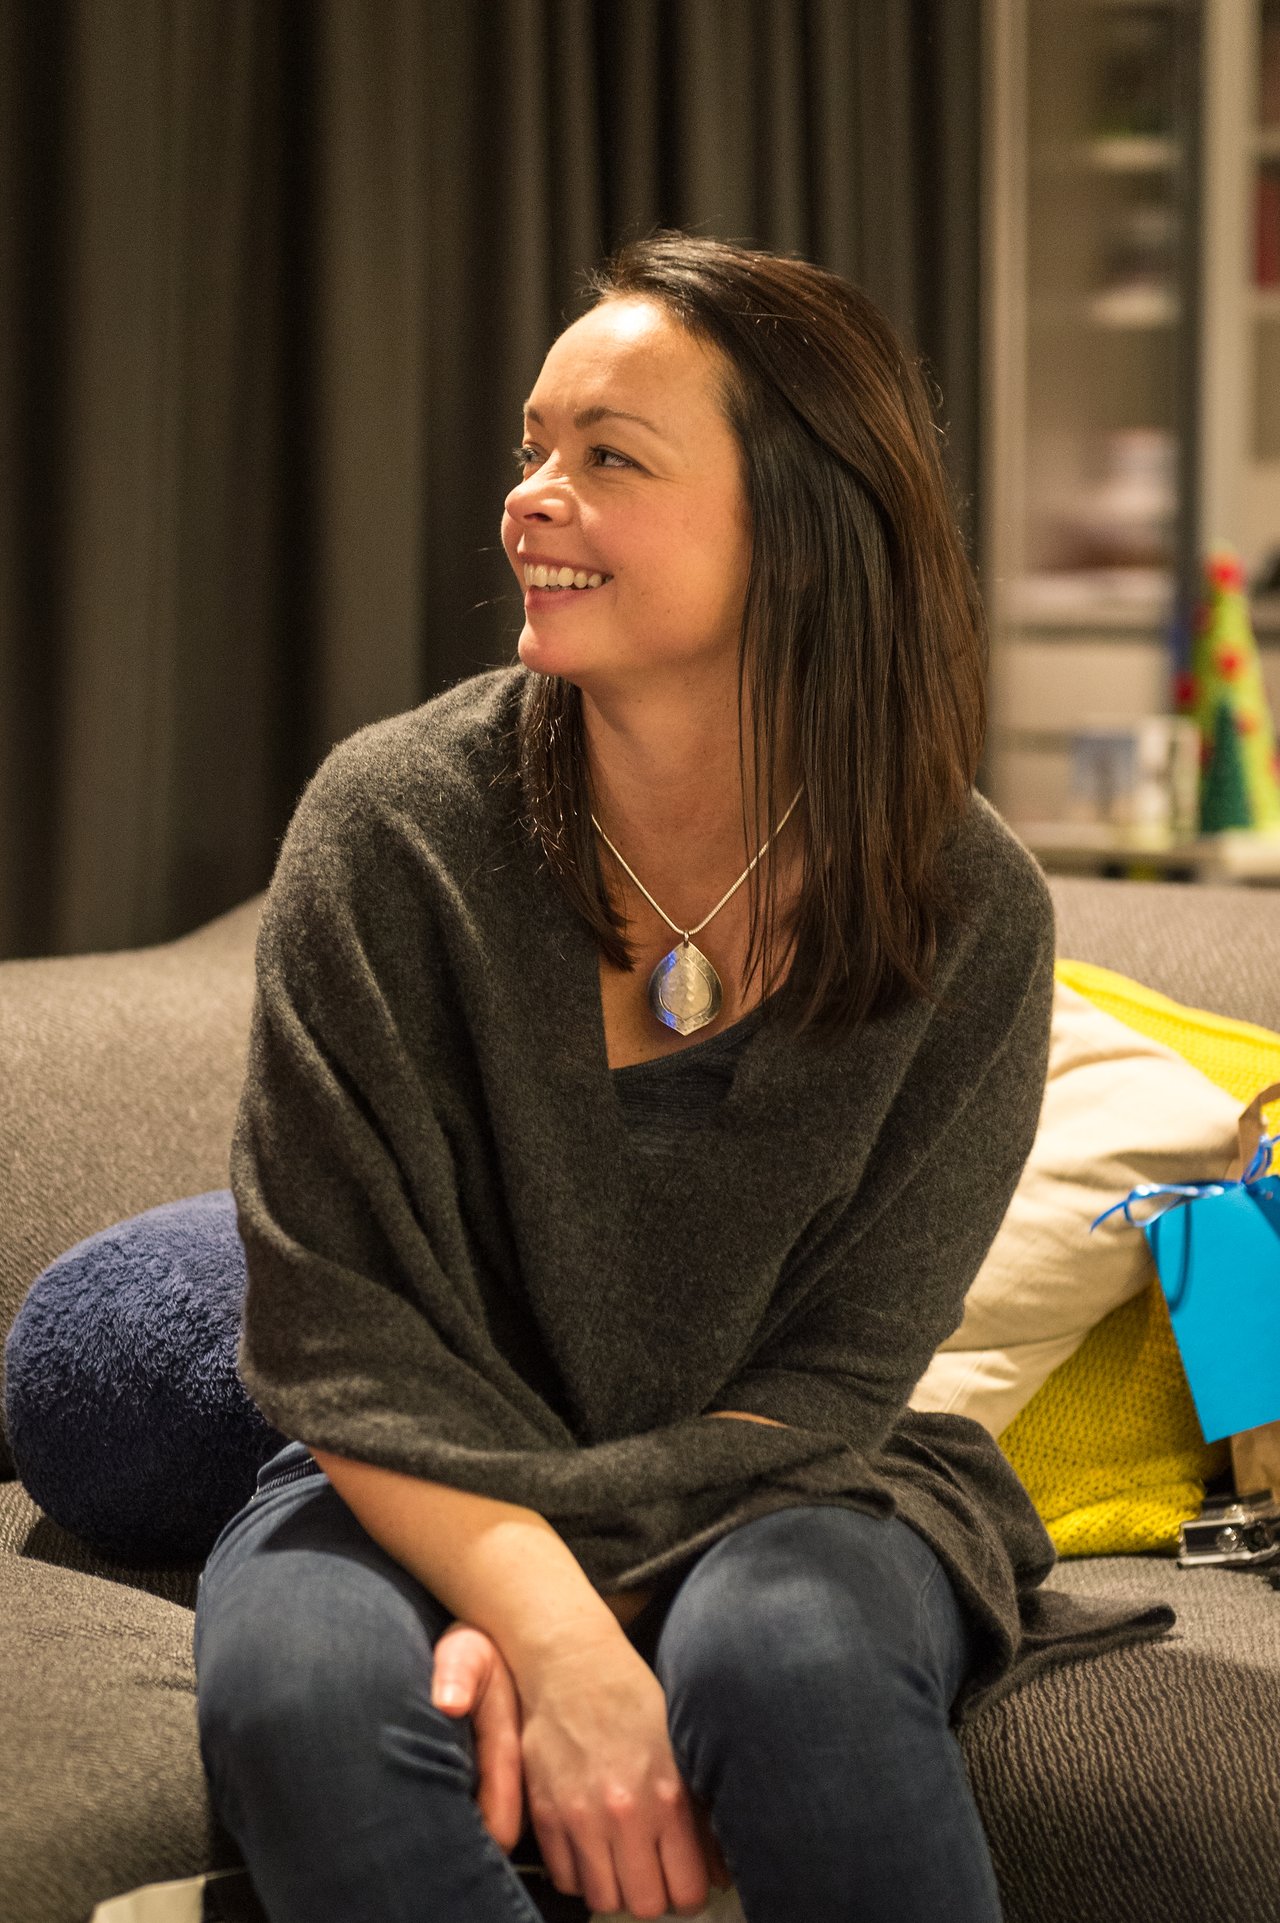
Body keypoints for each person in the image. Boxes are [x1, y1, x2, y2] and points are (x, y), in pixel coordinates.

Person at [193, 231, 1172, 1923]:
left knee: (785, 1649)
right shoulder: (387, 832)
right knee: (300, 1694)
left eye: (608, 457)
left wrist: (573, 1596)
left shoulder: (968, 910)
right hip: (411, 1467)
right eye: (532, 447)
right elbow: (338, 1344)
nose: (529, 498)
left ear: (799, 530)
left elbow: (836, 1385)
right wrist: (552, 1624)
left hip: (807, 1483)